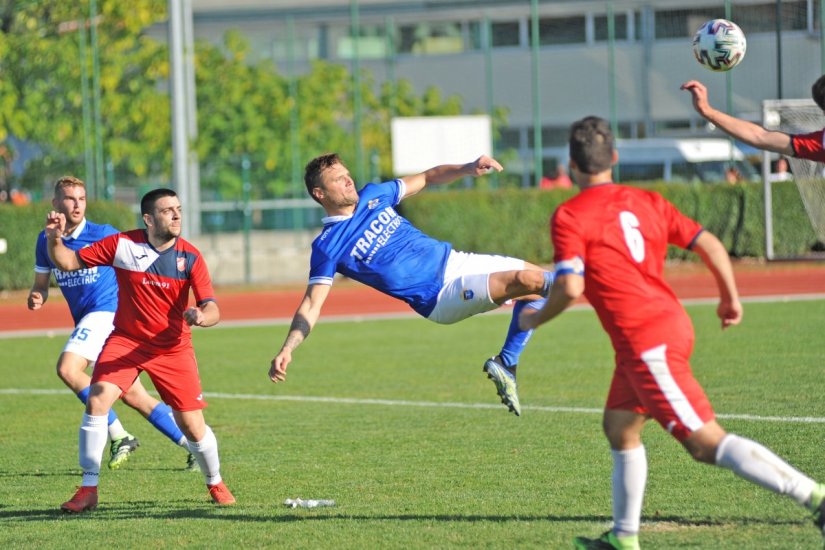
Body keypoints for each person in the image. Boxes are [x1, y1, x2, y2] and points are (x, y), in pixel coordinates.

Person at [519, 116, 825, 549]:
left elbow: (571, 285)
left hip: (647, 339)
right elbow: (710, 243)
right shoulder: (647, 200)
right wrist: (729, 296)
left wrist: (532, 319)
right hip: (656, 329)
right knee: (620, 427)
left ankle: (815, 498)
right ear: (616, 160)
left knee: (705, 443)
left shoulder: (570, 213)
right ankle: (624, 538)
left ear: (571, 166)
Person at [268, 153, 554, 417]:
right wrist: (288, 348)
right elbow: (311, 304)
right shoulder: (327, 246)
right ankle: (591, 277)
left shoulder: (374, 195)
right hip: (441, 296)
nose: (348, 179)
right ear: (320, 193)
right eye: (338, 178)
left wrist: (468, 168)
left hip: (458, 261)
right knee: (529, 281)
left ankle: (506, 362)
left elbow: (428, 177)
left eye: (347, 174)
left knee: (535, 284)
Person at [47, 187, 235, 513]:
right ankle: (88, 488)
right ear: (148, 218)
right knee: (98, 399)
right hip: (127, 342)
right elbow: (67, 260)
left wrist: (202, 316)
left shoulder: (190, 256)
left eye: (178, 208)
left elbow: (213, 307)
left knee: (192, 425)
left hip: (172, 349)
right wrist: (54, 238)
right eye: (167, 211)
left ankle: (215, 481)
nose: (177, 215)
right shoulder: (122, 244)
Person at [29, 176, 198, 472]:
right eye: (70, 199)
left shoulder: (103, 233)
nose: (77, 204)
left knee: (68, 368)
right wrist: (37, 294)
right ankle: (192, 446)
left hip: (108, 313)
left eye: (81, 198)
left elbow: (140, 257)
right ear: (55, 203)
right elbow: (41, 284)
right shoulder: (46, 239)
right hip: (89, 319)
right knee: (135, 395)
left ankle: (119, 435)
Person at [681, 76, 825, 162]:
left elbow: (760, 136)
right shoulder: (820, 143)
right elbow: (759, 136)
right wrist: (708, 111)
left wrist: (708, 112)